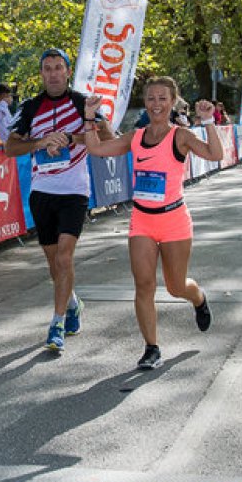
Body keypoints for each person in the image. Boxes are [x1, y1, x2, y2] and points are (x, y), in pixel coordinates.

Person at [82, 77, 222, 370]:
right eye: (151, 98)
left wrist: (208, 121)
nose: (156, 104)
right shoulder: (135, 137)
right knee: (144, 285)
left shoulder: (180, 136)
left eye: (162, 98)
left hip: (174, 221)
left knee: (175, 287)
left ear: (172, 102)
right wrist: (90, 117)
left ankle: (198, 298)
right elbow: (96, 149)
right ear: (145, 102)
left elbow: (215, 154)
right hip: (142, 220)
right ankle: (151, 348)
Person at [5, 49, 109, 353]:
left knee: (64, 258)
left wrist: (72, 138)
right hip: (42, 192)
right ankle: (73, 303)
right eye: (47, 68)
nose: (53, 73)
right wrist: (40, 142)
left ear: (67, 71)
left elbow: (107, 137)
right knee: (54, 265)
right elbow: (10, 148)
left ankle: (56, 324)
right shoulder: (30, 107)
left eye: (58, 67)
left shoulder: (82, 103)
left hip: (74, 192)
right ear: (42, 73)